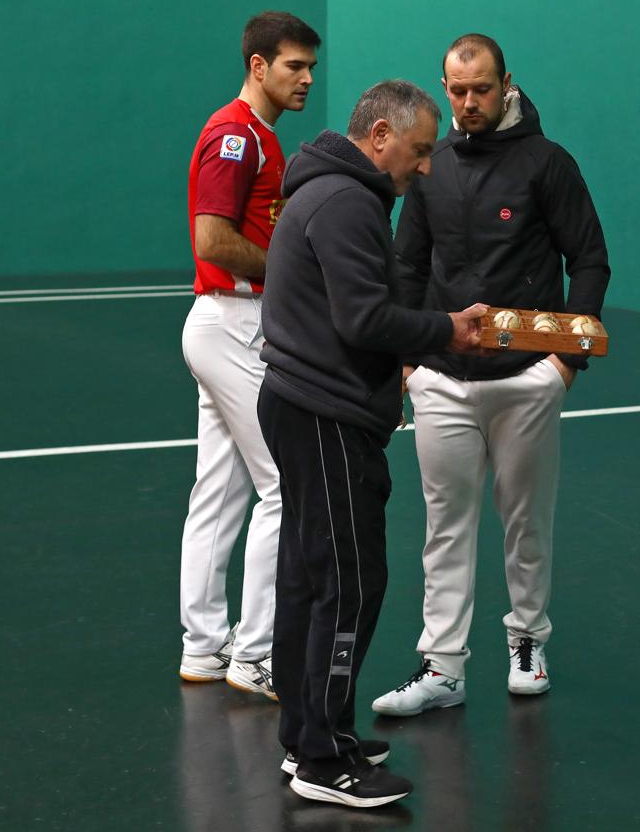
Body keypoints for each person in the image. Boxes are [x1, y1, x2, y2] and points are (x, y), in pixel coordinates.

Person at [257, 79, 488, 808]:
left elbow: (355, 314)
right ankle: (326, 759)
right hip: (322, 414)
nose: (424, 168)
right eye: (419, 151)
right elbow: (364, 319)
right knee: (350, 582)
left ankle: (310, 735)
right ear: (380, 135)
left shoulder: (333, 193)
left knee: (308, 577)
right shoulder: (348, 201)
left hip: (309, 407)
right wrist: (448, 328)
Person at [371, 34, 611, 717]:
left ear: (507, 83)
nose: (468, 102)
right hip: (441, 378)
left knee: (525, 522)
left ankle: (528, 640)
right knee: (444, 525)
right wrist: (408, 363)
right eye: (456, 89)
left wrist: (565, 361)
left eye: (481, 89)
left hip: (526, 380)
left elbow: (589, 259)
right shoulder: (432, 165)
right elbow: (407, 266)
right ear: (442, 87)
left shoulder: (547, 163)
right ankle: (442, 668)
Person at [179, 11, 320, 699]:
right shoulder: (236, 135)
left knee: (221, 491)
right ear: (259, 66)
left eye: (311, 67)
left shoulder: (261, 136)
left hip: (228, 323)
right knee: (284, 487)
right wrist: (285, 271)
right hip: (235, 323)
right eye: (295, 66)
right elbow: (211, 241)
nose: (307, 79)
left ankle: (204, 649)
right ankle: (254, 655)